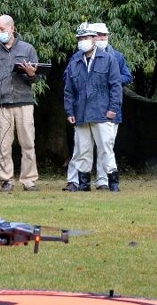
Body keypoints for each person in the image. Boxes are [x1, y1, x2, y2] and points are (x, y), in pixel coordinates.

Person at [63, 22, 132, 192]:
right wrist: (69, 111)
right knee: (82, 150)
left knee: (106, 149)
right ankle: (84, 184)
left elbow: (116, 86)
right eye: (80, 38)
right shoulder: (75, 61)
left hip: (102, 112)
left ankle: (112, 183)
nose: (82, 41)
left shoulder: (109, 59)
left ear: (93, 39)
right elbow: (69, 90)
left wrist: (113, 109)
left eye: (86, 37)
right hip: (81, 113)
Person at [0, 14, 40, 192]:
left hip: (24, 101)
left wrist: (30, 73)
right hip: (1, 103)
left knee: (28, 143)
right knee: (3, 144)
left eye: (2, 29)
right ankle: (6, 180)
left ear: (12, 28)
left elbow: (36, 79)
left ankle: (29, 180)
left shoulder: (28, 49)